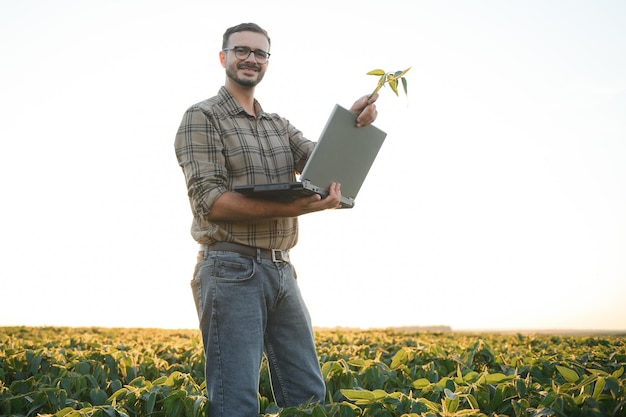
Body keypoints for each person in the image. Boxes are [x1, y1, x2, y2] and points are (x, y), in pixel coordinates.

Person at [174, 22, 378, 417]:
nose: (251, 59)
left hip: (282, 270)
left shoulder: (278, 126)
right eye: (242, 50)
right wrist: (298, 207)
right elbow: (211, 202)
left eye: (260, 53)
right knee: (236, 401)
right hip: (230, 269)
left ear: (267, 62)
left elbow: (322, 161)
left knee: (307, 396)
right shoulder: (202, 117)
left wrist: (352, 124)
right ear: (224, 57)